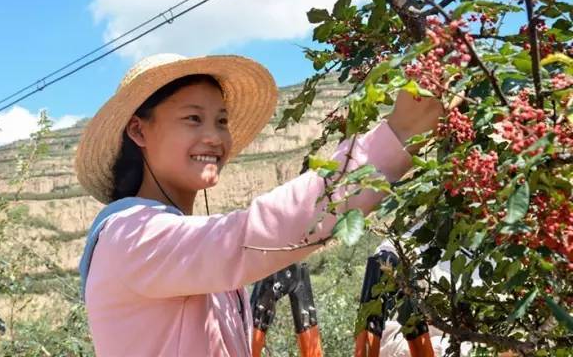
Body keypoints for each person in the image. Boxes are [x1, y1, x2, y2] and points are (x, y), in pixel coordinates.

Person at [75, 53, 444, 356]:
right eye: (193, 118)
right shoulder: (130, 233)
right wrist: (396, 137)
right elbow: (250, 234)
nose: (214, 136)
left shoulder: (173, 243)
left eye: (221, 121)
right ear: (139, 130)